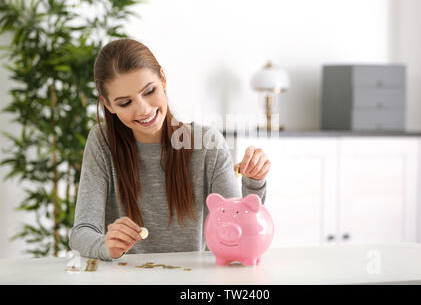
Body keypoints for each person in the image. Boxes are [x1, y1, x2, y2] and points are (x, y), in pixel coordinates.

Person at [68, 38, 271, 261]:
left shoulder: (206, 144)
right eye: (125, 103)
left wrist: (254, 181)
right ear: (108, 105)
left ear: (163, 79)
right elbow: (81, 233)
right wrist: (105, 246)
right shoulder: (102, 142)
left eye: (149, 91)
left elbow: (239, 228)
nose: (143, 109)